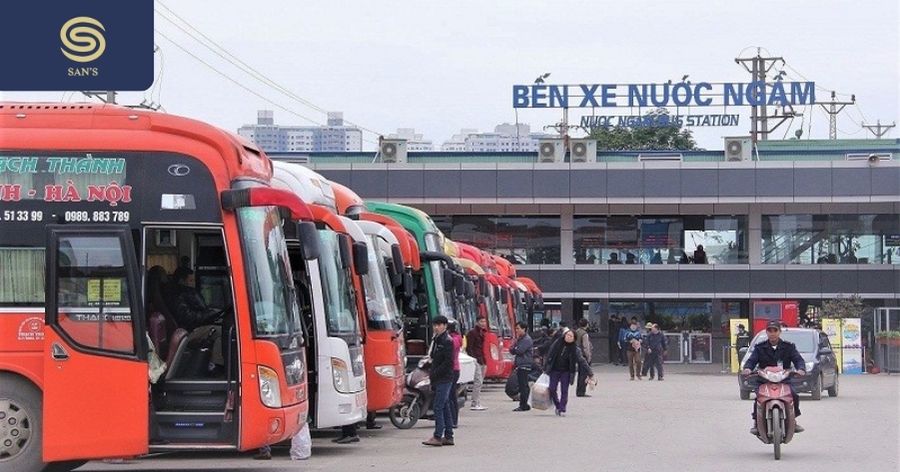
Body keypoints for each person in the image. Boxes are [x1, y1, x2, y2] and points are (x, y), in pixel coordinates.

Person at [741, 321, 807, 435]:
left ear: (779, 332)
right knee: (758, 398)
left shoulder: (788, 347)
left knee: (794, 395)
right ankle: (756, 423)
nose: (772, 333)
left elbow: (798, 360)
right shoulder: (759, 347)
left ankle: (794, 420)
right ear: (766, 332)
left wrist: (801, 369)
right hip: (764, 380)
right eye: (769, 331)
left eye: (775, 330)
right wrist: (747, 368)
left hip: (784, 380)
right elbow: (751, 361)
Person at [543, 329, 594, 416]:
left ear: (574, 339)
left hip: (566, 372)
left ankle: (562, 408)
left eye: (571, 336)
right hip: (554, 370)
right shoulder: (557, 343)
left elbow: (582, 361)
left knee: (564, 391)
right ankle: (557, 404)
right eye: (567, 335)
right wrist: (545, 367)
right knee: (552, 388)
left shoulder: (575, 349)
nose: (568, 337)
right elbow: (550, 355)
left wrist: (590, 373)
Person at [422, 316, 455, 447]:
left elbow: (448, 362)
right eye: (435, 325)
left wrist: (435, 373)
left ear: (445, 326)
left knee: (438, 406)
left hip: (444, 377)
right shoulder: (437, 339)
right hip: (438, 377)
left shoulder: (447, 341)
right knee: (445, 406)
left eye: (439, 325)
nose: (436, 327)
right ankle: (449, 436)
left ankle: (437, 436)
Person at [465, 316, 488, 411]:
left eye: (484, 321)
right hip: (476, 359)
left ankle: (478, 402)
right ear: (477, 322)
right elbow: (469, 348)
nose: (483, 323)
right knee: (478, 381)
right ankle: (474, 403)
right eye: (481, 321)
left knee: (480, 381)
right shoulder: (472, 333)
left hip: (482, 359)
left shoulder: (482, 332)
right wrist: (473, 359)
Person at [510, 322, 534, 411]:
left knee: (523, 385)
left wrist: (515, 348)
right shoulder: (520, 339)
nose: (517, 330)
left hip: (524, 364)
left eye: (518, 328)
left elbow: (519, 350)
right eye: (516, 328)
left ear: (524, 329)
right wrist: (514, 348)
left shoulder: (526, 339)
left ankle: (523, 404)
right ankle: (524, 404)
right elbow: (512, 349)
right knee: (523, 385)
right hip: (521, 364)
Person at [448, 319, 463, 427]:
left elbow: (451, 347)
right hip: (452, 369)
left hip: (453, 369)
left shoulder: (455, 338)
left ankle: (454, 420)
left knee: (451, 396)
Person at [574, 318, 593, 397]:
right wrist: (588, 356)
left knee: (580, 374)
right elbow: (586, 347)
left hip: (577, 354)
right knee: (584, 374)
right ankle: (582, 391)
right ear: (586, 325)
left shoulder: (576, 332)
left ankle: (578, 390)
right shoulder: (584, 334)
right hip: (583, 355)